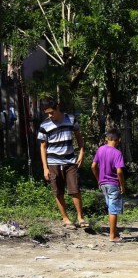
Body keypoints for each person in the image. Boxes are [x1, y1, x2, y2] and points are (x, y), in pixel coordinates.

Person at [38, 98, 87, 230]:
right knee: (58, 191)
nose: (50, 115)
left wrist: (82, 152)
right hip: (53, 162)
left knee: (75, 189)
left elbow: (79, 137)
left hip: (70, 160)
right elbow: (43, 147)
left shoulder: (71, 119)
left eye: (51, 112)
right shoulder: (44, 125)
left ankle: (80, 217)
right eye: (47, 113)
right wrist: (45, 168)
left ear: (57, 107)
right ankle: (65, 218)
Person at [91, 128, 126, 242]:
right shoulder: (117, 153)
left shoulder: (100, 149)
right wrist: (122, 185)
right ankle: (113, 235)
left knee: (110, 208)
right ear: (118, 140)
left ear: (107, 138)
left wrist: (98, 179)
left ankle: (114, 231)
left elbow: (93, 166)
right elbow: (119, 171)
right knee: (113, 210)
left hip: (103, 184)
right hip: (113, 184)